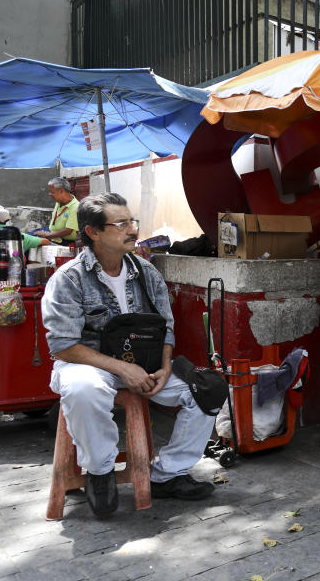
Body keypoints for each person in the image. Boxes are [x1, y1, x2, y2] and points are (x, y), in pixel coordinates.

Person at [41, 193, 216, 518]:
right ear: (93, 232)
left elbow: (166, 326)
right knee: (84, 390)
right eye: (121, 224)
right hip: (89, 363)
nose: (132, 230)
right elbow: (63, 345)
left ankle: (167, 475)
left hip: (145, 363)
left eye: (131, 222)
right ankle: (100, 472)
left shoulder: (147, 272)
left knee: (208, 388)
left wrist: (164, 367)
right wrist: (123, 369)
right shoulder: (68, 280)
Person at [34, 177, 80, 243]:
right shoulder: (59, 201)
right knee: (25, 237)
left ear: (61, 191)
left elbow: (68, 231)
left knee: (32, 241)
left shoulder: (76, 206)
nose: (49, 194)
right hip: (51, 233)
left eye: (52, 192)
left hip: (64, 240)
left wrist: (47, 235)